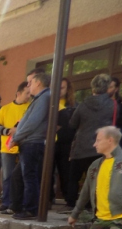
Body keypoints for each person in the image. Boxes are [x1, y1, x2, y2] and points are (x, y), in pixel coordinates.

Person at [65, 74, 115, 212]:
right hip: (101, 148)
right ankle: (91, 205)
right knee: (96, 178)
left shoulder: (83, 104)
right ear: (107, 88)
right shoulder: (113, 105)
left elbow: (72, 123)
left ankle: (71, 204)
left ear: (93, 87)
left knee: (74, 177)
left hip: (81, 146)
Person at [8, 69, 51, 220]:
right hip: (29, 142)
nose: (28, 85)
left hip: (33, 143)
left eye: (31, 82)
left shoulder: (44, 98)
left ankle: (31, 209)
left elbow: (32, 122)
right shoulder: (40, 98)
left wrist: (16, 137)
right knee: (18, 176)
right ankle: (18, 206)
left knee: (29, 177)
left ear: (38, 83)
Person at [0, 82, 31, 212]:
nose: (29, 96)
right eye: (27, 93)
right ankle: (6, 202)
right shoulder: (5, 109)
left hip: (25, 146)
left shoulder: (30, 107)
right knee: (7, 176)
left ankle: (20, 203)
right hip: (7, 147)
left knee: (24, 175)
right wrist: (8, 131)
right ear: (18, 93)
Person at [54, 78, 77, 206]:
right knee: (48, 171)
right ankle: (47, 199)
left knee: (65, 171)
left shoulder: (73, 106)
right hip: (51, 142)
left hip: (66, 143)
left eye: (62, 88)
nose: (59, 90)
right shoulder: (49, 102)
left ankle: (68, 199)